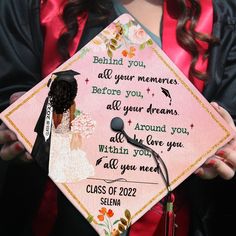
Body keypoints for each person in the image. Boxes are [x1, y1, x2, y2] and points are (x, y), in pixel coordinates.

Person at [0, 0, 235, 235]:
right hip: (58, 218)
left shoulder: (220, 16)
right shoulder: (37, 7)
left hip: (170, 220)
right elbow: (10, 89)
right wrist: (16, 123)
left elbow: (228, 111)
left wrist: (223, 147)